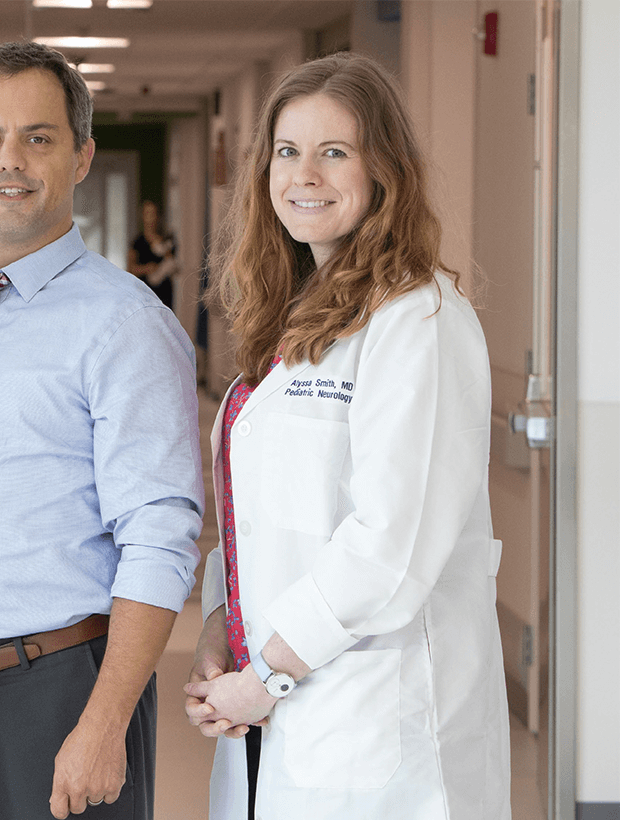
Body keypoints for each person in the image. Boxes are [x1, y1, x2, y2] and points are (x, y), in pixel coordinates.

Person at [183, 52, 511, 820]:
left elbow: (389, 546)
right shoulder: (290, 318)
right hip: (278, 702)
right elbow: (261, 521)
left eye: (335, 152)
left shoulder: (417, 320)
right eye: (288, 153)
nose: (306, 175)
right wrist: (218, 633)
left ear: (383, 171)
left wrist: (265, 677)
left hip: (378, 726)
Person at [0, 42, 203, 820]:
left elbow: (160, 536)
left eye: (40, 137)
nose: (11, 160)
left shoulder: (127, 325)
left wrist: (105, 722)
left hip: (56, 693)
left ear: (83, 155)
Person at [126, 200, 177, 309]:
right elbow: (130, 269)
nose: (151, 218)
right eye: (147, 214)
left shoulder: (166, 241)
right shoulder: (137, 243)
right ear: (142, 217)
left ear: (158, 216)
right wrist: (146, 269)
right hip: (145, 296)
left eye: (153, 214)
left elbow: (174, 266)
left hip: (165, 296)